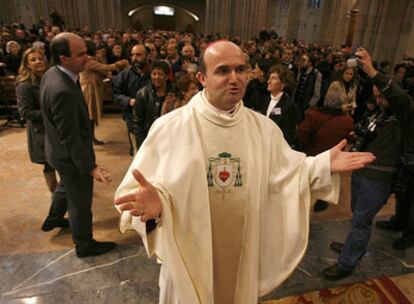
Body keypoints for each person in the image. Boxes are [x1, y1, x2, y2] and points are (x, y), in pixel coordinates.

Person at [114, 41, 375, 303]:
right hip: (191, 251)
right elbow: (131, 193)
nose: (234, 78)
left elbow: (288, 172)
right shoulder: (169, 127)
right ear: (202, 78)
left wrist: (322, 164)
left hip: (242, 248)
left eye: (241, 69)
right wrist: (156, 206)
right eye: (223, 71)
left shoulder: (263, 129)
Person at [322, 48, 406, 280]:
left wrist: (371, 70)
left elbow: (399, 97)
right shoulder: (381, 114)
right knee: (357, 214)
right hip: (361, 170)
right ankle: (354, 246)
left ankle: (347, 263)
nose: (377, 100)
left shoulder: (404, 115)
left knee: (362, 219)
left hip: (379, 177)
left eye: (382, 96)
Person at [40, 32, 115, 258]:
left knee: (65, 187)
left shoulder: (51, 74)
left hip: (57, 152)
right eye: (81, 54)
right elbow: (70, 137)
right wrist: (90, 167)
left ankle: (53, 219)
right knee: (80, 204)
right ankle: (84, 245)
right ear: (64, 59)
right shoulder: (62, 90)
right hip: (70, 156)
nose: (87, 57)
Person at [16, 48, 59, 195]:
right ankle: (55, 195)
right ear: (27, 64)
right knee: (49, 164)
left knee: (62, 161)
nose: (38, 62)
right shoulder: (25, 86)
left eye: (40, 58)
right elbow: (25, 112)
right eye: (33, 60)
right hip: (41, 131)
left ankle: (65, 191)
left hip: (56, 127)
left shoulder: (51, 78)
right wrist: (50, 113)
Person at [80, 40, 128, 145]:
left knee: (91, 115)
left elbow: (100, 71)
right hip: (89, 89)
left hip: (91, 88)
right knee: (89, 115)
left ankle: (91, 137)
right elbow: (105, 67)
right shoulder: (88, 61)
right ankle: (89, 138)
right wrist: (119, 64)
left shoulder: (90, 60)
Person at [112, 44, 151, 155]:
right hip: (132, 117)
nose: (134, 58)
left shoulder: (155, 73)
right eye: (132, 55)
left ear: (147, 56)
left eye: (138, 55)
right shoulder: (124, 75)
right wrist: (129, 101)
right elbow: (115, 95)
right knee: (137, 151)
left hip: (153, 116)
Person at [262, 64, 297, 146]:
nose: (268, 81)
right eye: (269, 78)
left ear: (283, 84)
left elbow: (288, 137)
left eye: (273, 78)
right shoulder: (266, 99)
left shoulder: (289, 106)